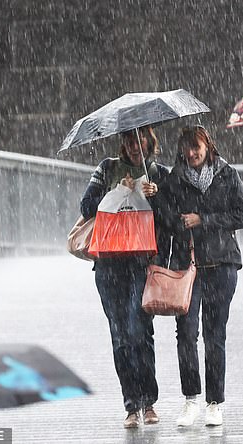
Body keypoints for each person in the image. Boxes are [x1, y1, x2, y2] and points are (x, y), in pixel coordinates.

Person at [154, 126, 243, 427]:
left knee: (214, 335)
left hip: (222, 264)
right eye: (187, 148)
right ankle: (191, 399)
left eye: (197, 147)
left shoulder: (227, 173)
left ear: (208, 146)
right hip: (187, 266)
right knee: (185, 334)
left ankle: (214, 402)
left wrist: (204, 219)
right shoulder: (174, 179)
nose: (192, 153)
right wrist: (158, 200)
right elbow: (167, 222)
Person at [80, 126, 169, 428]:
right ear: (123, 142)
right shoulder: (107, 168)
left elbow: (170, 218)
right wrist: (116, 191)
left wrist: (155, 197)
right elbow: (86, 206)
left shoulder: (158, 172)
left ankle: (149, 402)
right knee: (120, 336)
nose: (134, 144)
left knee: (138, 331)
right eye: (129, 139)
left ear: (149, 140)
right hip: (108, 266)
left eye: (140, 138)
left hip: (142, 264)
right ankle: (131, 404)